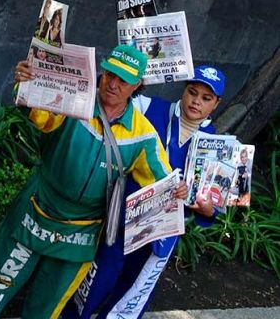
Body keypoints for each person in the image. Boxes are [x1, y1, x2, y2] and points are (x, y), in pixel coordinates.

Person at [0, 45, 174, 319]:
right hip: (37, 213)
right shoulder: (75, 98)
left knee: (46, 309)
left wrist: (187, 195)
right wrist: (27, 84)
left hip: (81, 234)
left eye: (123, 80)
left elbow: (164, 184)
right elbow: (41, 115)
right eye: (110, 75)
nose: (113, 84)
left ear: (137, 85)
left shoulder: (143, 135)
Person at [63, 65, 226, 319]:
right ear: (183, 90)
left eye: (206, 98)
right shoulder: (149, 107)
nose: (196, 102)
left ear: (216, 104)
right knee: (98, 277)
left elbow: (210, 208)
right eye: (192, 92)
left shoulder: (217, 145)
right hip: (122, 217)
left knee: (133, 290)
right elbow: (115, 95)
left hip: (162, 231)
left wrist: (203, 206)